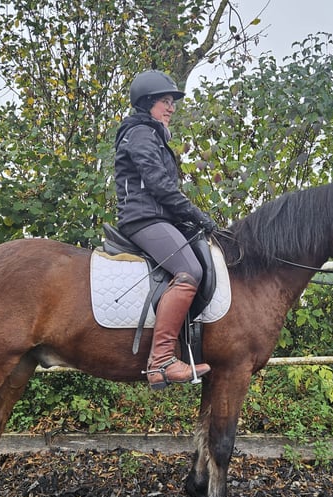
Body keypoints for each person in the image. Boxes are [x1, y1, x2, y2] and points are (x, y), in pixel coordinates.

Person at [114, 69, 217, 390]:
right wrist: (196, 214)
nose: (171, 107)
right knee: (189, 270)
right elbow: (158, 184)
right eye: (165, 101)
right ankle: (161, 361)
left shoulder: (151, 133)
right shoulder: (143, 133)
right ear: (147, 103)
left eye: (172, 102)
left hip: (156, 217)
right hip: (142, 218)